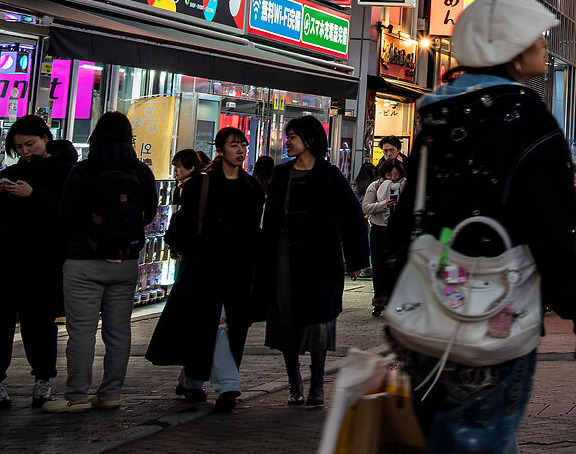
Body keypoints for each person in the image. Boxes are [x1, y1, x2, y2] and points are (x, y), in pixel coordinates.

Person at [372, 0, 576, 454]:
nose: (544, 47)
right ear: (510, 49)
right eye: (535, 38)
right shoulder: (525, 118)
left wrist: (396, 300)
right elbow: (552, 230)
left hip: (426, 314)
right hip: (491, 321)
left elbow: (409, 219)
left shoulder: (436, 113)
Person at [46, 112, 158, 413]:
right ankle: (110, 394)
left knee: (82, 332)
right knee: (118, 332)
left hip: (84, 261)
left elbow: (66, 215)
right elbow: (149, 214)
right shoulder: (141, 171)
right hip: (125, 261)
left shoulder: (83, 170)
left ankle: (77, 396)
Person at [148, 126, 263, 410]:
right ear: (220, 150)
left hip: (238, 269)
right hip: (204, 267)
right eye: (234, 145)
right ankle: (227, 385)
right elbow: (184, 222)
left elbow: (254, 230)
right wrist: (189, 250)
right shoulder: (202, 183)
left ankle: (193, 380)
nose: (241, 150)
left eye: (243, 145)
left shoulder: (252, 187)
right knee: (214, 324)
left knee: (221, 325)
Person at [257, 114, 368, 408]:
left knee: (320, 319)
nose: (287, 142)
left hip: (321, 259)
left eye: (292, 137)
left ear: (309, 139)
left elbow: (351, 216)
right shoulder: (281, 174)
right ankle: (294, 383)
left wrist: (356, 258)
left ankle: (317, 384)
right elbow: (271, 220)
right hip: (285, 257)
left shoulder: (329, 175)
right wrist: (265, 257)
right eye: (288, 136)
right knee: (286, 317)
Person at [0, 115, 75, 410]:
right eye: (19, 146)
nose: (24, 151)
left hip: (42, 262)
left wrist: (34, 195)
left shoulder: (66, 172)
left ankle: (43, 379)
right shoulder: (12, 171)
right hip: (4, 260)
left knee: (39, 322)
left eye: (29, 144)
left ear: (45, 139)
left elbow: (67, 216)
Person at [362, 157, 406, 286]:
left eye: (396, 174)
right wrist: (384, 205)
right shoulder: (375, 186)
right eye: (389, 174)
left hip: (398, 230)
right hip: (379, 229)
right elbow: (366, 207)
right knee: (379, 265)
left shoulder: (404, 185)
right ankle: (379, 293)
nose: (393, 178)